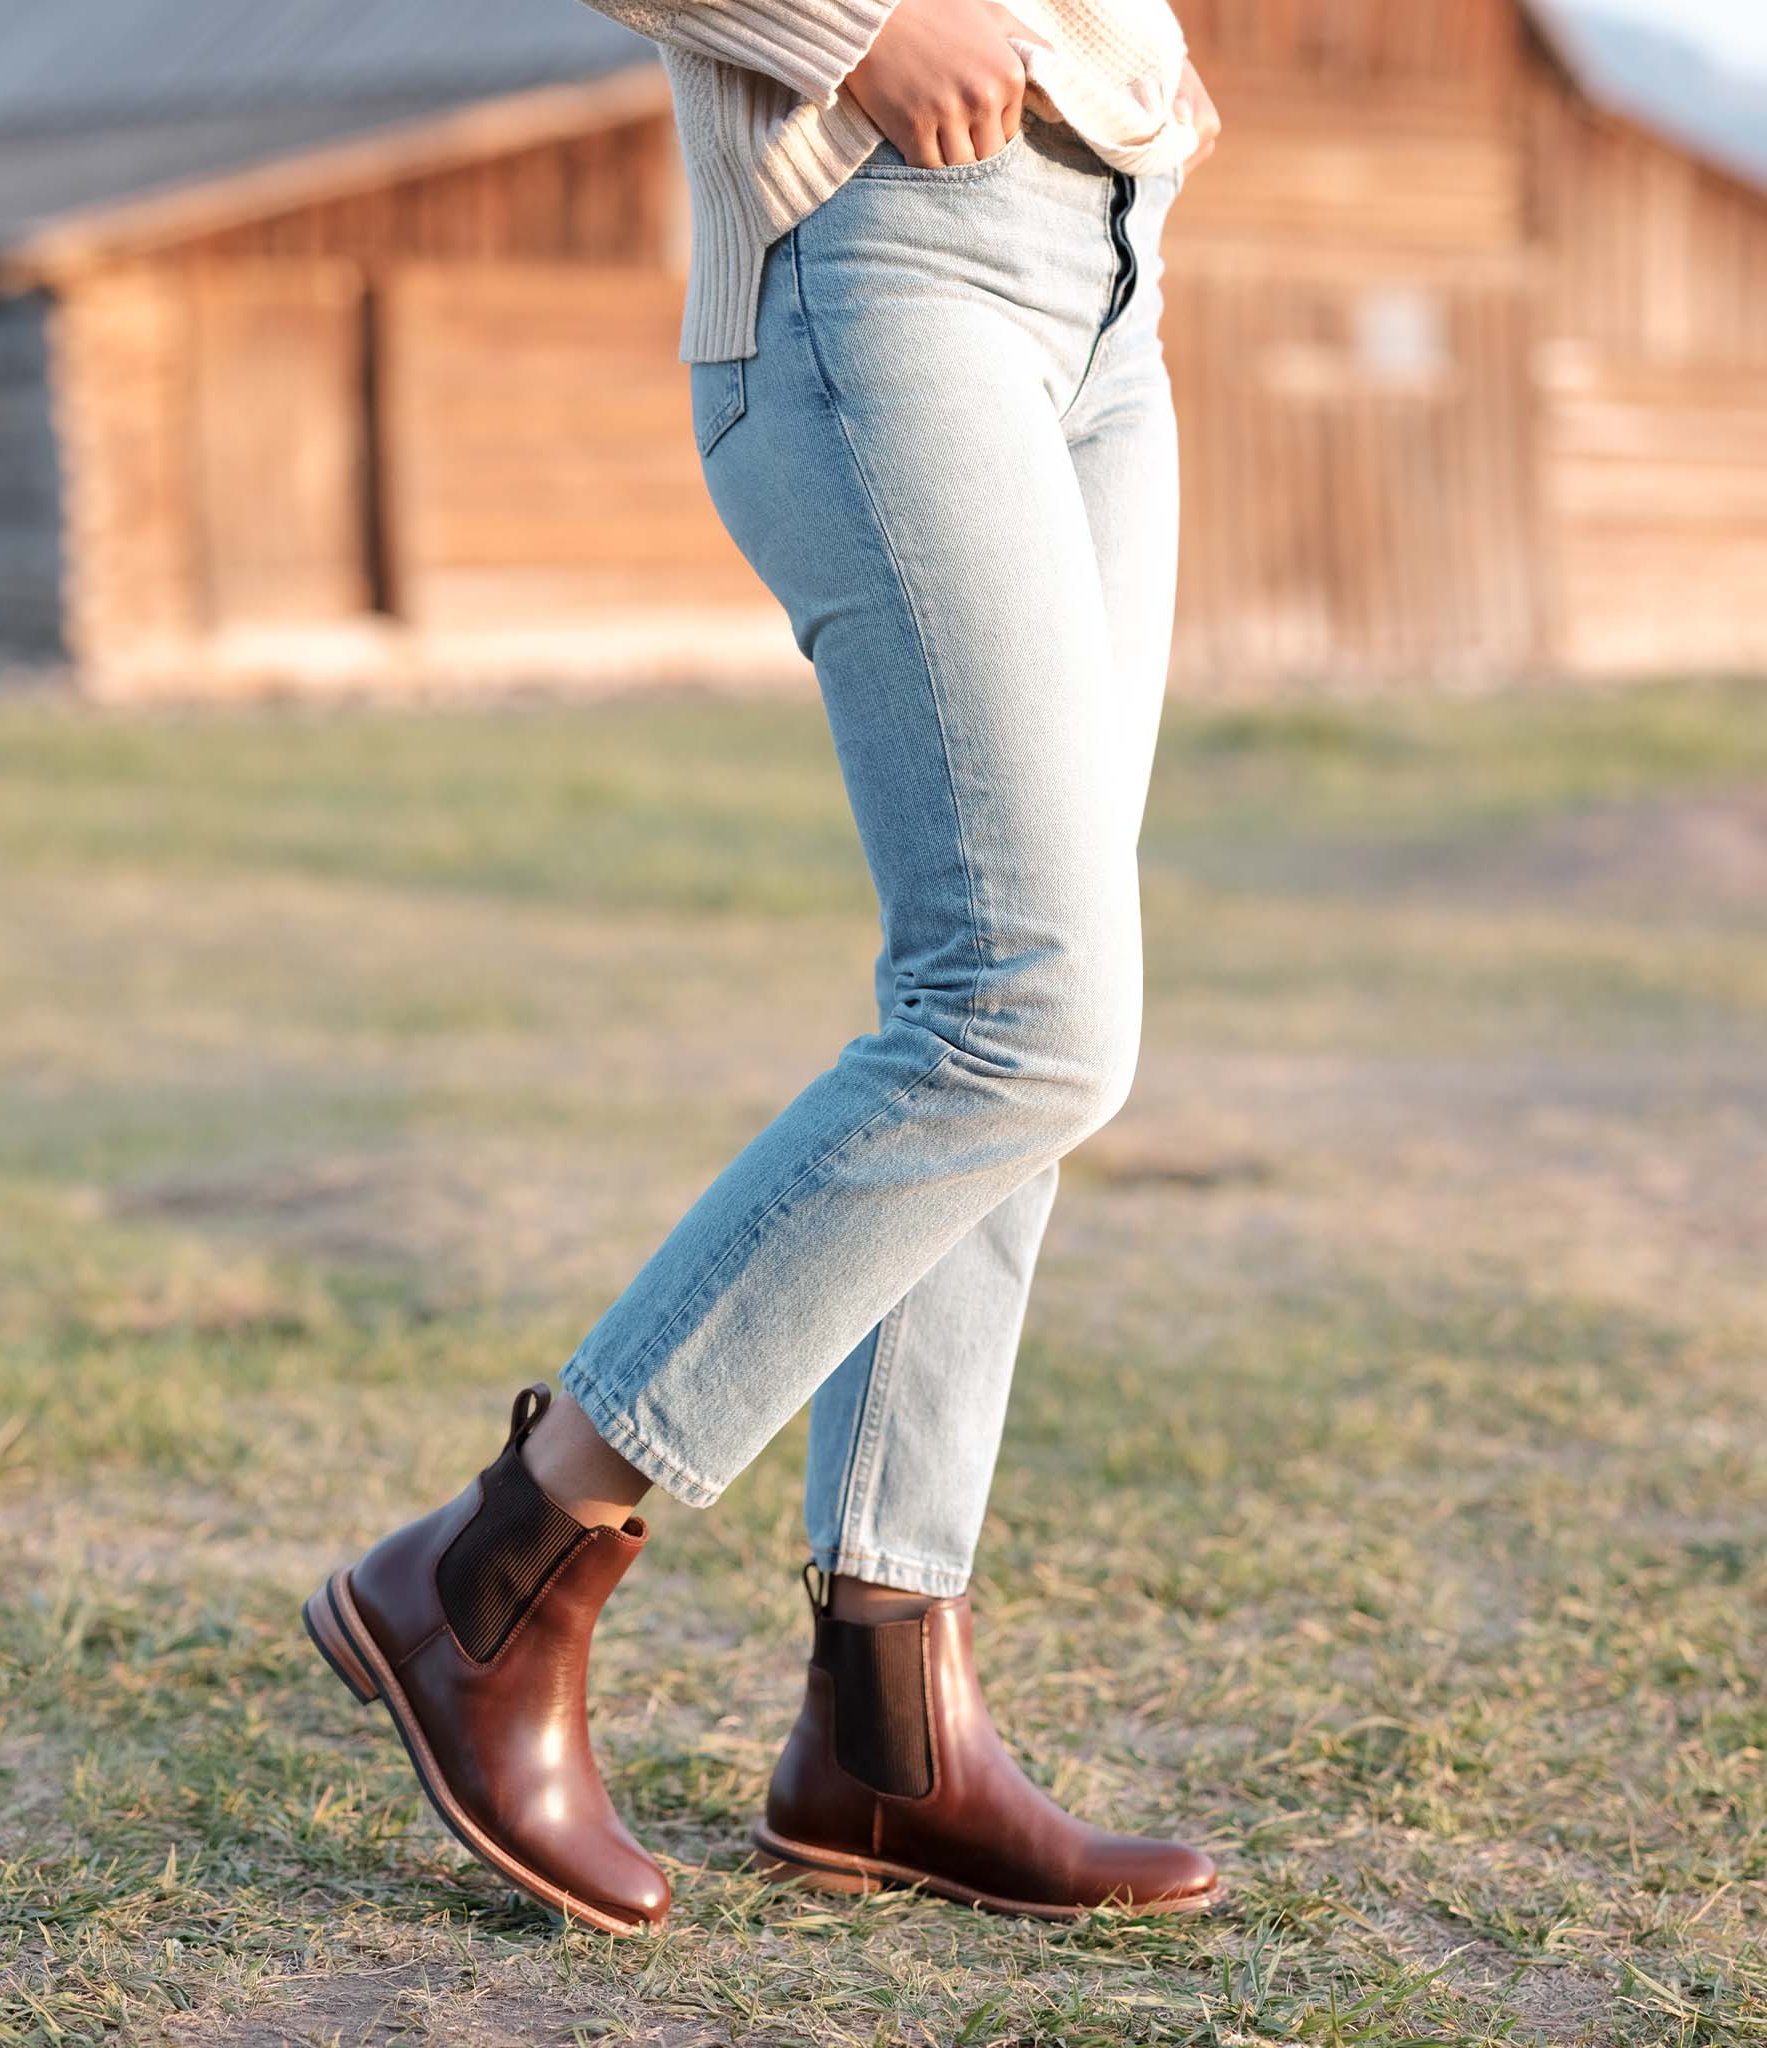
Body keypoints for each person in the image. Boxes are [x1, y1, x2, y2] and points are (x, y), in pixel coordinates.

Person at [305, 0, 1224, 1935]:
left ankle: (888, 1739)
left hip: (1109, 279)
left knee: (1012, 1024)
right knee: (1027, 1015)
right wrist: (856, 23)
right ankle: (494, 1571)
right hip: (884, 251)